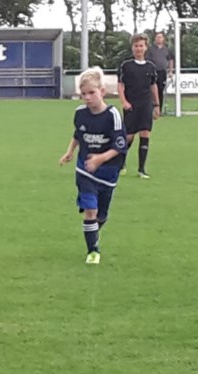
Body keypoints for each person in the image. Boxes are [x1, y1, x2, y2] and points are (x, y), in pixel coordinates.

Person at [59, 67, 128, 265]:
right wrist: (69, 151)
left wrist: (100, 159)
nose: (87, 98)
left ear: (102, 91)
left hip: (108, 172)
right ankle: (93, 251)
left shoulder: (112, 115)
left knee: (101, 216)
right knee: (91, 209)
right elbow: (78, 134)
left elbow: (120, 145)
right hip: (85, 170)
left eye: (91, 92)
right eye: (83, 94)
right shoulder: (80, 113)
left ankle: (93, 234)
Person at [117, 34, 160, 179]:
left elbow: (153, 86)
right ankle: (121, 162)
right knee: (128, 136)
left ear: (146, 47)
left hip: (146, 104)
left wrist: (156, 105)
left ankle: (142, 169)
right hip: (131, 104)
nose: (139, 48)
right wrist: (124, 101)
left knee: (145, 133)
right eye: (136, 46)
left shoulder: (150, 66)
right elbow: (120, 85)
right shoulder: (126, 65)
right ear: (132, 48)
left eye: (141, 46)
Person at [146, 31, 174, 115]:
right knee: (151, 91)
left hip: (162, 72)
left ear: (163, 39)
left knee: (160, 90)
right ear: (155, 39)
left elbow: (170, 60)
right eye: (157, 37)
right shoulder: (150, 49)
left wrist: (170, 71)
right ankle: (150, 109)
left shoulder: (167, 49)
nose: (159, 39)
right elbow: (147, 60)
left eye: (160, 37)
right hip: (152, 72)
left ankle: (159, 110)